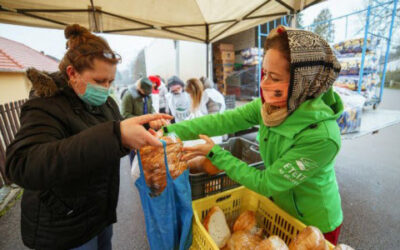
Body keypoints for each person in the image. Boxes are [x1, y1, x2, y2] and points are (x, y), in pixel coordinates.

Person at [163, 26, 344, 245]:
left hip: (315, 225)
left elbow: (265, 182)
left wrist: (216, 154)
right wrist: (168, 130)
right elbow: (222, 121)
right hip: (277, 208)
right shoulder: (272, 107)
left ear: (303, 84)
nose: (264, 84)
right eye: (264, 73)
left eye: (274, 78)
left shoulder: (323, 137)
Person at [5, 24, 171, 250]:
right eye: (99, 81)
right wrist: (116, 135)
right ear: (72, 73)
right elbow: (23, 164)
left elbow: (114, 131)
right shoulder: (45, 106)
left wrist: (140, 128)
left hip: (99, 216)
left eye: (110, 82)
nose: (105, 88)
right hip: (64, 227)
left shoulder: (105, 102)